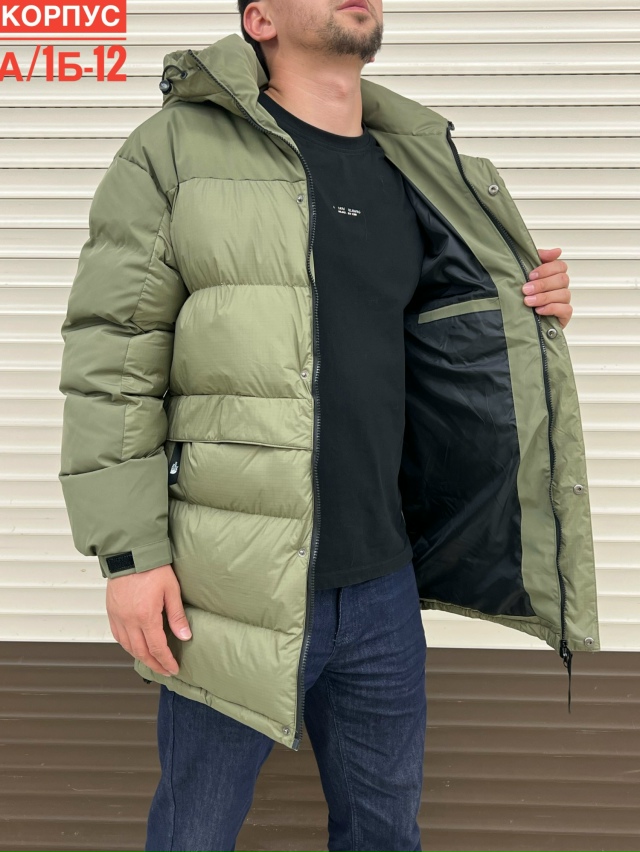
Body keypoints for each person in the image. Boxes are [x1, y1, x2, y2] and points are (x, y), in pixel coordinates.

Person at [57, 1, 600, 850]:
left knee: (385, 833)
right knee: (195, 834)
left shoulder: (418, 162)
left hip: (384, 586)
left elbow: (445, 342)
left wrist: (531, 308)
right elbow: (113, 358)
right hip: (227, 586)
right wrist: (130, 556)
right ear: (260, 19)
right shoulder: (174, 152)